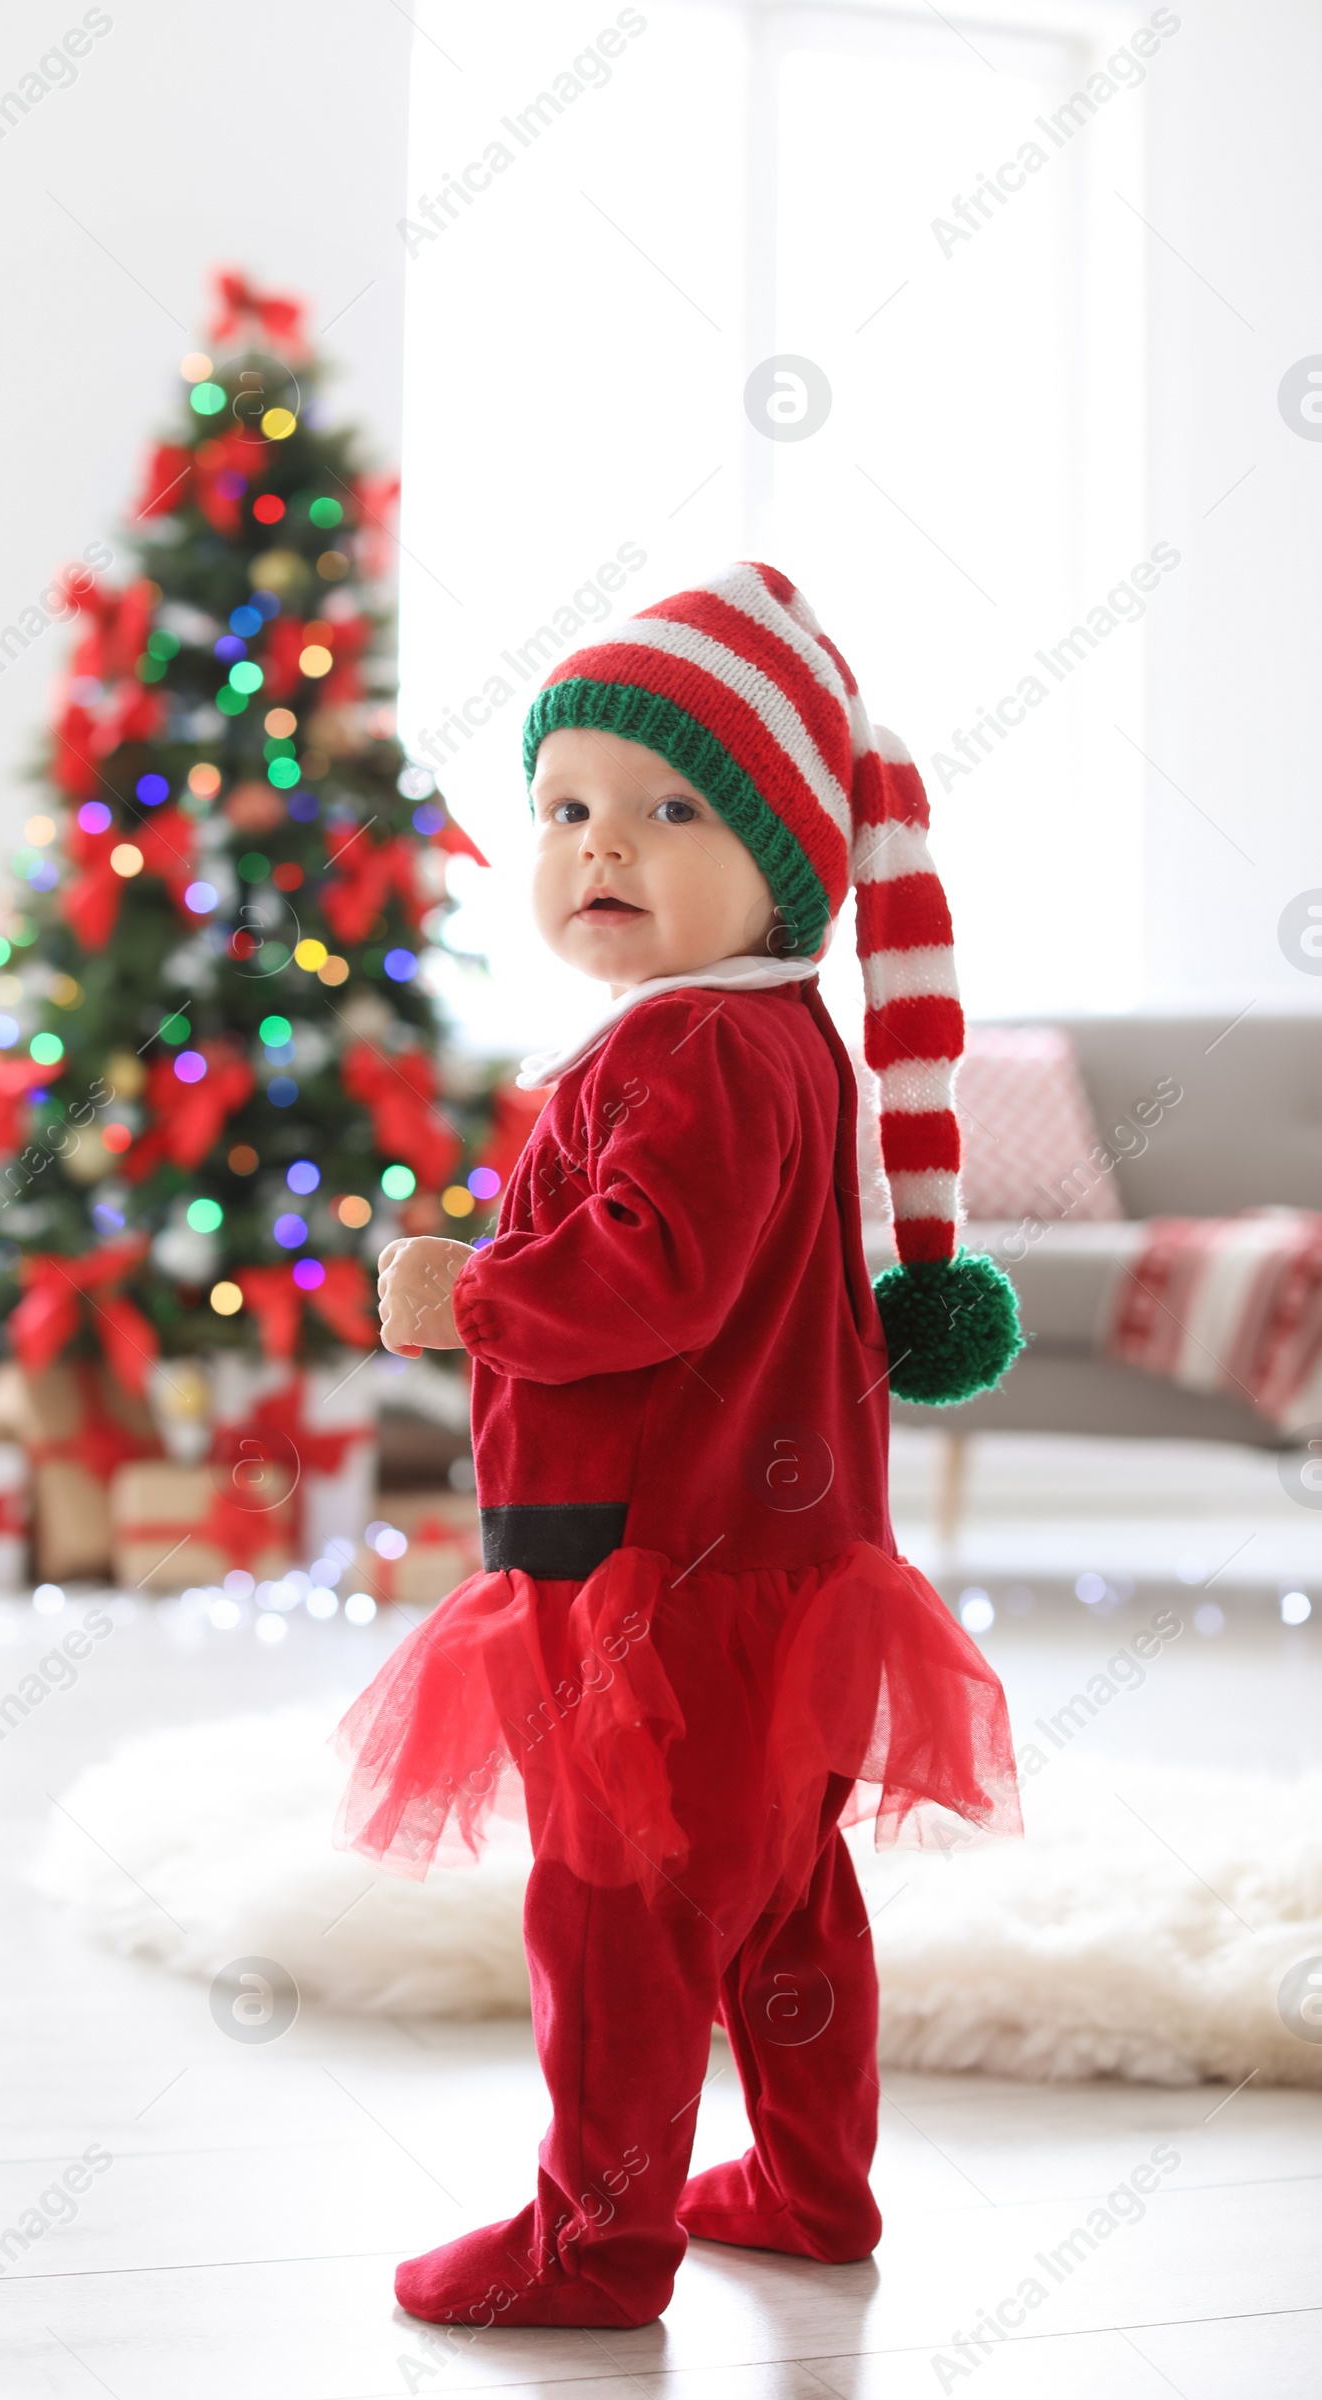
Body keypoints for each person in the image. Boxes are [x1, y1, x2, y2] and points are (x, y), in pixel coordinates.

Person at [333, 563, 1023, 2331]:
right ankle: (805, 2183)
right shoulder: (767, 1034)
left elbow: (652, 1278)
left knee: (617, 1910)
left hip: (649, 1565)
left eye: (667, 806)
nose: (601, 847)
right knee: (782, 1895)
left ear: (783, 864)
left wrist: (466, 1295)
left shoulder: (699, 1049)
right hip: (769, 1567)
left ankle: (597, 2240)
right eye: (565, 808)